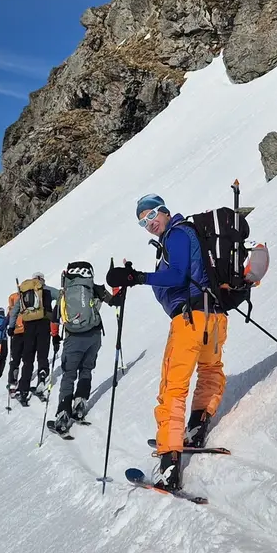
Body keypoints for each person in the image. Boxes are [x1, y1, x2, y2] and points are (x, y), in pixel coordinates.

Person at [106, 194, 226, 491]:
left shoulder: (177, 234)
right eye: (142, 222)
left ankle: (169, 464)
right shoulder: (186, 234)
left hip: (189, 320)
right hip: (214, 317)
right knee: (210, 371)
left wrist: (137, 277)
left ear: (164, 211)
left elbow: (176, 276)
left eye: (150, 216)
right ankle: (196, 427)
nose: (148, 224)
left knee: (172, 388)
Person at [47, 261, 121, 437]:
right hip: (94, 338)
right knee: (86, 369)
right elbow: (116, 301)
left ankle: (63, 414)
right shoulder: (94, 288)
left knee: (68, 375)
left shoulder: (65, 292)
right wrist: (117, 285)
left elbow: (55, 318)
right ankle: (80, 404)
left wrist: (55, 337)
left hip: (73, 339)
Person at [6, 274, 59, 406]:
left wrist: (11, 327)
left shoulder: (24, 291)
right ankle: (41, 375)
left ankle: (23, 390)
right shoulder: (47, 290)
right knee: (42, 354)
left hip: (28, 327)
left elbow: (15, 310)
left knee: (28, 358)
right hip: (45, 324)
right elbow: (61, 296)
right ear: (42, 280)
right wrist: (56, 314)